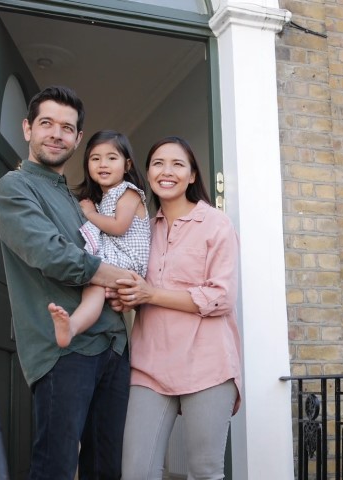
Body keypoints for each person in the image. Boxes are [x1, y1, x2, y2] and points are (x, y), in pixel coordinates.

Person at [0, 86, 132, 480]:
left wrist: (119, 294)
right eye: (46, 123)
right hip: (64, 353)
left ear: (77, 138)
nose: (56, 133)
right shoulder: (15, 188)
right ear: (27, 129)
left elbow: (97, 250)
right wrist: (119, 278)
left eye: (67, 127)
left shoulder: (72, 199)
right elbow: (52, 255)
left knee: (106, 469)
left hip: (113, 345)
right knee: (54, 466)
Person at [115, 136, 242, 480]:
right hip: (149, 364)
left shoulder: (216, 224)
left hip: (207, 363)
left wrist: (150, 295)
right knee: (137, 472)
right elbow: (125, 279)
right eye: (157, 163)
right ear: (147, 173)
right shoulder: (140, 229)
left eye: (177, 164)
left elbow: (220, 296)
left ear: (191, 175)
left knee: (204, 471)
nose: (166, 171)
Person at [49, 129, 150, 348]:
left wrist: (90, 214)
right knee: (93, 288)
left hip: (129, 260)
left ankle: (74, 325)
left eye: (112, 158)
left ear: (127, 165)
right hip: (116, 258)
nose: (103, 164)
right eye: (95, 159)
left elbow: (119, 227)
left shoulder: (128, 192)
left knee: (93, 280)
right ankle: (72, 327)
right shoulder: (103, 198)